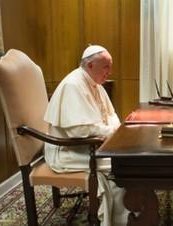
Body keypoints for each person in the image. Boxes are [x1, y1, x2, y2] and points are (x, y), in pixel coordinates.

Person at [43, 45, 128, 226]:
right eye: (106, 66)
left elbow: (112, 116)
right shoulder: (72, 85)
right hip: (66, 151)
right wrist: (112, 132)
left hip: (89, 146)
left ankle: (127, 214)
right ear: (90, 65)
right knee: (119, 167)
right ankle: (120, 221)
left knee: (124, 161)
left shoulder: (96, 84)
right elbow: (79, 131)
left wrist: (114, 131)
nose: (109, 71)